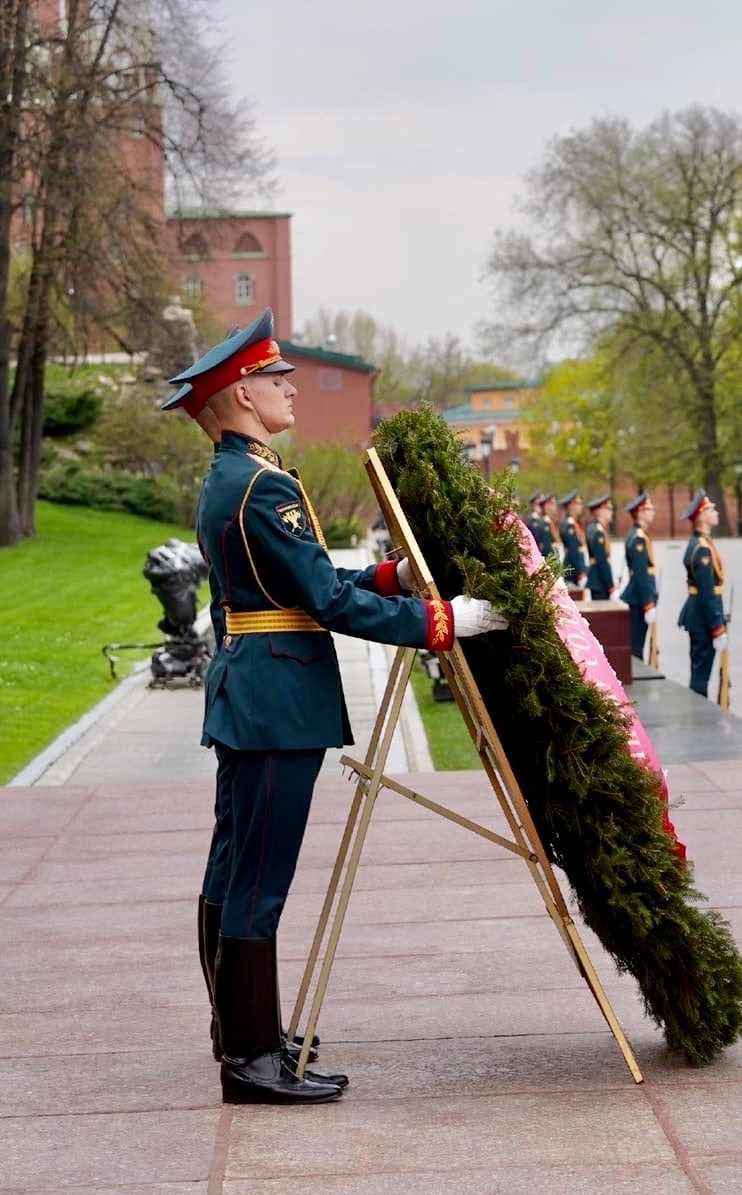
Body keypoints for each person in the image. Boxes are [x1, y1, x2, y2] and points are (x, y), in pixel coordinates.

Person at [165, 308, 506, 1105]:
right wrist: (443, 623)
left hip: (255, 692)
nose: (289, 388)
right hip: (277, 700)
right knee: (259, 875)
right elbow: (321, 602)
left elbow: (299, 587)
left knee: (233, 865)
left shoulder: (234, 479)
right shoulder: (262, 485)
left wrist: (387, 580)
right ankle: (249, 1059)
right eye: (275, 379)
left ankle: (241, 1031)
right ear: (242, 396)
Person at [677, 492, 727, 698]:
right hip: (702, 617)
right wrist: (717, 627)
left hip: (699, 614)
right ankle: (699, 712)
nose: (715, 513)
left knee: (700, 669)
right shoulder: (702, 549)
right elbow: (707, 593)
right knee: (701, 673)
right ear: (701, 516)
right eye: (711, 509)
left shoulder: (701, 544)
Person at [619, 492, 658, 662]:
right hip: (639, 598)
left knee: (637, 643)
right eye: (649, 509)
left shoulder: (637, 534)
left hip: (638, 596)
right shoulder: (639, 538)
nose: (653, 512)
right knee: (636, 646)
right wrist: (648, 603)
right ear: (640, 512)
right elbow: (641, 574)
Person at [584, 495, 615, 601]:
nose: (611, 512)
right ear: (600, 511)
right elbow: (602, 561)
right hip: (600, 581)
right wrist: (611, 586)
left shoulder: (595, 528)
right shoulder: (598, 532)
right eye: (609, 509)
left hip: (598, 581)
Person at [558, 491, 586, 591]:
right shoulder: (569, 524)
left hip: (575, 569)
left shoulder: (574, 523)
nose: (581, 506)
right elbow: (573, 550)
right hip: (572, 571)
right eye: (578, 503)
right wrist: (581, 573)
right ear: (570, 506)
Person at [526, 492, 556, 559]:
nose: (541, 507)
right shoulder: (533, 520)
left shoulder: (542, 519)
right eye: (538, 504)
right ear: (533, 504)